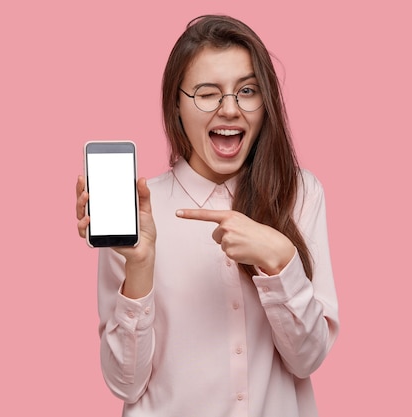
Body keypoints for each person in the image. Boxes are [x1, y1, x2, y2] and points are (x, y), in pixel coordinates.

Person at [75, 15, 339, 417]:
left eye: (247, 91)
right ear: (177, 105)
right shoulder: (142, 211)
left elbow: (307, 359)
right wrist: (141, 267)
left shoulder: (299, 194)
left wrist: (280, 260)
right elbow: (124, 383)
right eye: (207, 93)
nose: (230, 109)